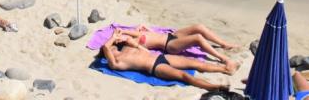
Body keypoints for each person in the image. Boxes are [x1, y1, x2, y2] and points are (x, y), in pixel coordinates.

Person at [99, 37, 232, 91]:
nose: (112, 47)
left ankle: (225, 69)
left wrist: (123, 39)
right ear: (106, 53)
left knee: (195, 63)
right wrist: (111, 41)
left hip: (161, 57)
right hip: (156, 67)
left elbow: (141, 45)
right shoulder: (116, 62)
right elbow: (105, 46)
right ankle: (215, 87)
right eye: (111, 48)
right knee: (185, 77)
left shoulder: (127, 48)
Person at [110, 23, 238, 71]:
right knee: (198, 37)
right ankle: (224, 59)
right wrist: (120, 36)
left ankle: (223, 44)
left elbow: (137, 29)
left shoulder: (134, 34)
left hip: (171, 35)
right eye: (118, 39)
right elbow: (140, 47)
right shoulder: (131, 44)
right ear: (120, 42)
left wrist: (123, 32)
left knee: (198, 27)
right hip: (170, 45)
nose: (120, 36)